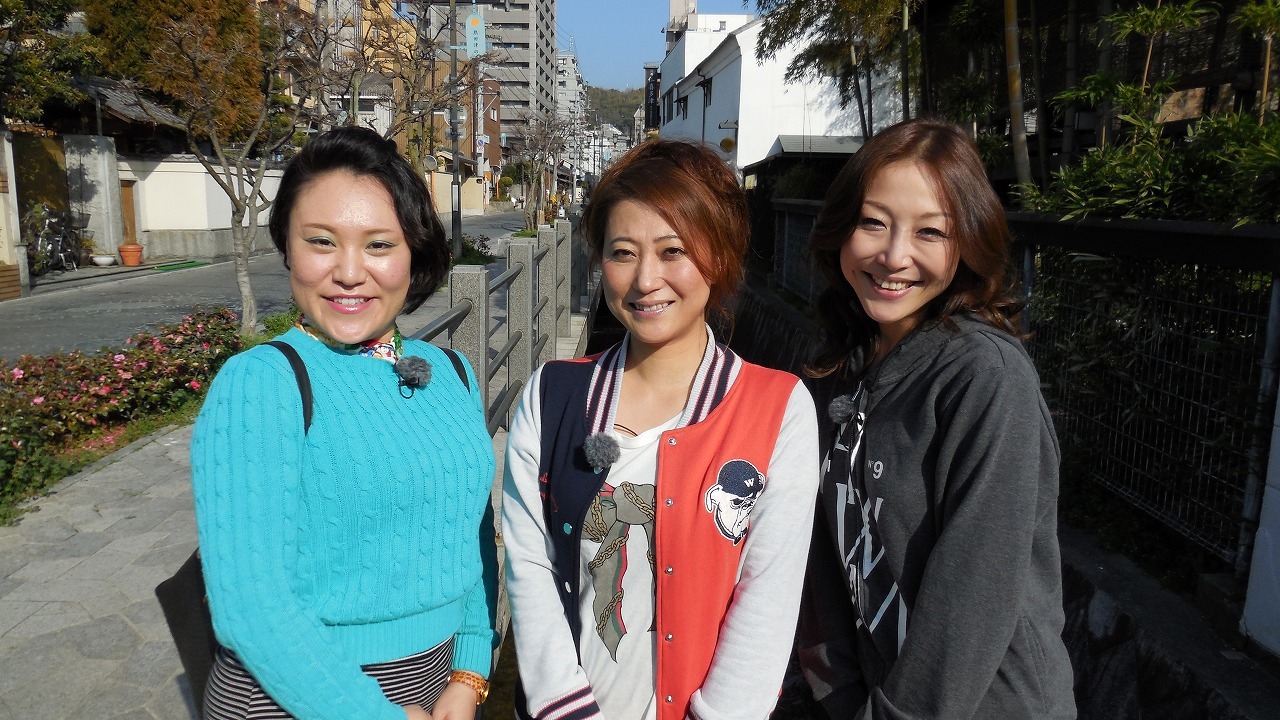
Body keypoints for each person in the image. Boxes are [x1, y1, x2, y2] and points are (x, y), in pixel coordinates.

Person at [502, 139, 820, 720]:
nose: (646, 279)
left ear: (719, 255)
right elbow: (530, 568)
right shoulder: (552, 397)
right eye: (623, 253)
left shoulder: (778, 409)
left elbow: (767, 602)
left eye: (673, 251)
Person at [191, 126, 498, 720]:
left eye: (379, 244)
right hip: (294, 697)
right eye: (321, 242)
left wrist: (470, 669)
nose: (350, 272)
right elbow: (253, 608)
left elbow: (472, 533)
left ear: (414, 251)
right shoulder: (260, 384)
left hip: (441, 686)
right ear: (287, 248)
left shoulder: (453, 370)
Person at [797, 118, 1076, 719]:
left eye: (930, 231)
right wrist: (838, 697)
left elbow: (973, 598)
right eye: (873, 222)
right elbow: (822, 569)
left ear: (967, 244)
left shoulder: (985, 378)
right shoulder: (840, 370)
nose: (894, 255)